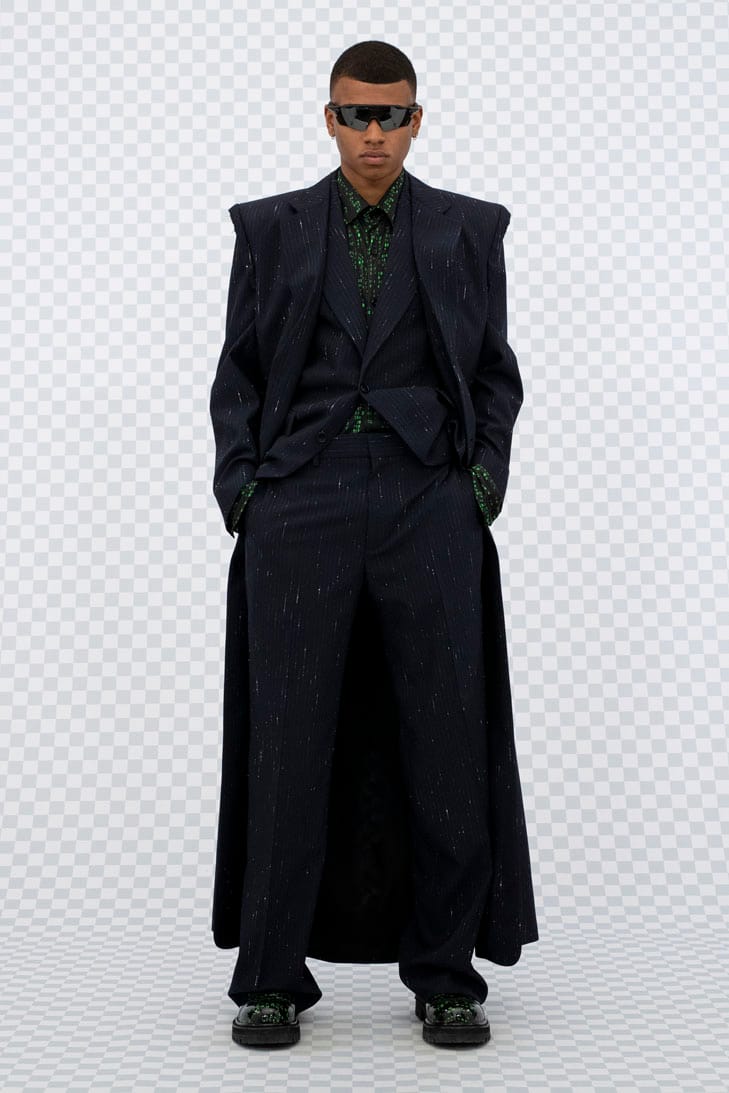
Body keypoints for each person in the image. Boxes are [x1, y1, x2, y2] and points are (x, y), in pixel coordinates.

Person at [209, 40, 539, 1049]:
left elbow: (494, 373)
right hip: (299, 500)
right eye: (356, 114)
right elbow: (237, 372)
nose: (373, 134)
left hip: (427, 498)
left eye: (391, 115)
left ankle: (445, 973)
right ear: (329, 119)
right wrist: (246, 490)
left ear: (416, 121)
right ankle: (271, 975)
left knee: (446, 735)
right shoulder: (267, 228)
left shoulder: (468, 229)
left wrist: (478, 483)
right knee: (287, 738)